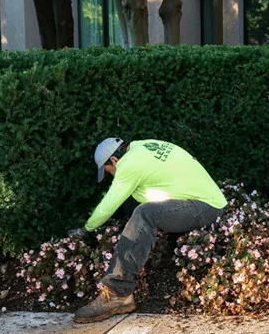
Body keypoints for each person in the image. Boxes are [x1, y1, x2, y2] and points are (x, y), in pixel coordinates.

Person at [71, 137, 226, 323]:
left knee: (145, 214)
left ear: (113, 160)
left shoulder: (128, 164)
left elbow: (108, 205)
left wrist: (86, 229)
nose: (112, 175)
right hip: (207, 199)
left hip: (203, 206)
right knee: (137, 206)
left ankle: (118, 293)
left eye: (109, 171)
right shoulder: (142, 146)